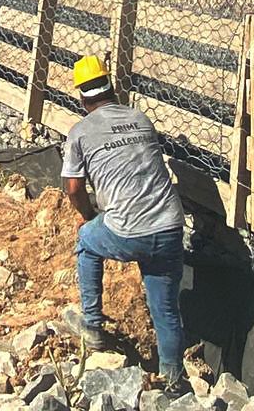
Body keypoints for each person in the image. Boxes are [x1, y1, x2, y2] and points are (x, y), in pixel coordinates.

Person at [59, 55, 190, 395]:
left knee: (87, 241)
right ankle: (174, 382)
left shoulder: (80, 131)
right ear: (112, 90)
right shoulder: (140, 118)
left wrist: (90, 217)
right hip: (169, 225)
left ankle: (91, 325)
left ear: (82, 98)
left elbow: (73, 188)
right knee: (164, 308)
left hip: (128, 229)